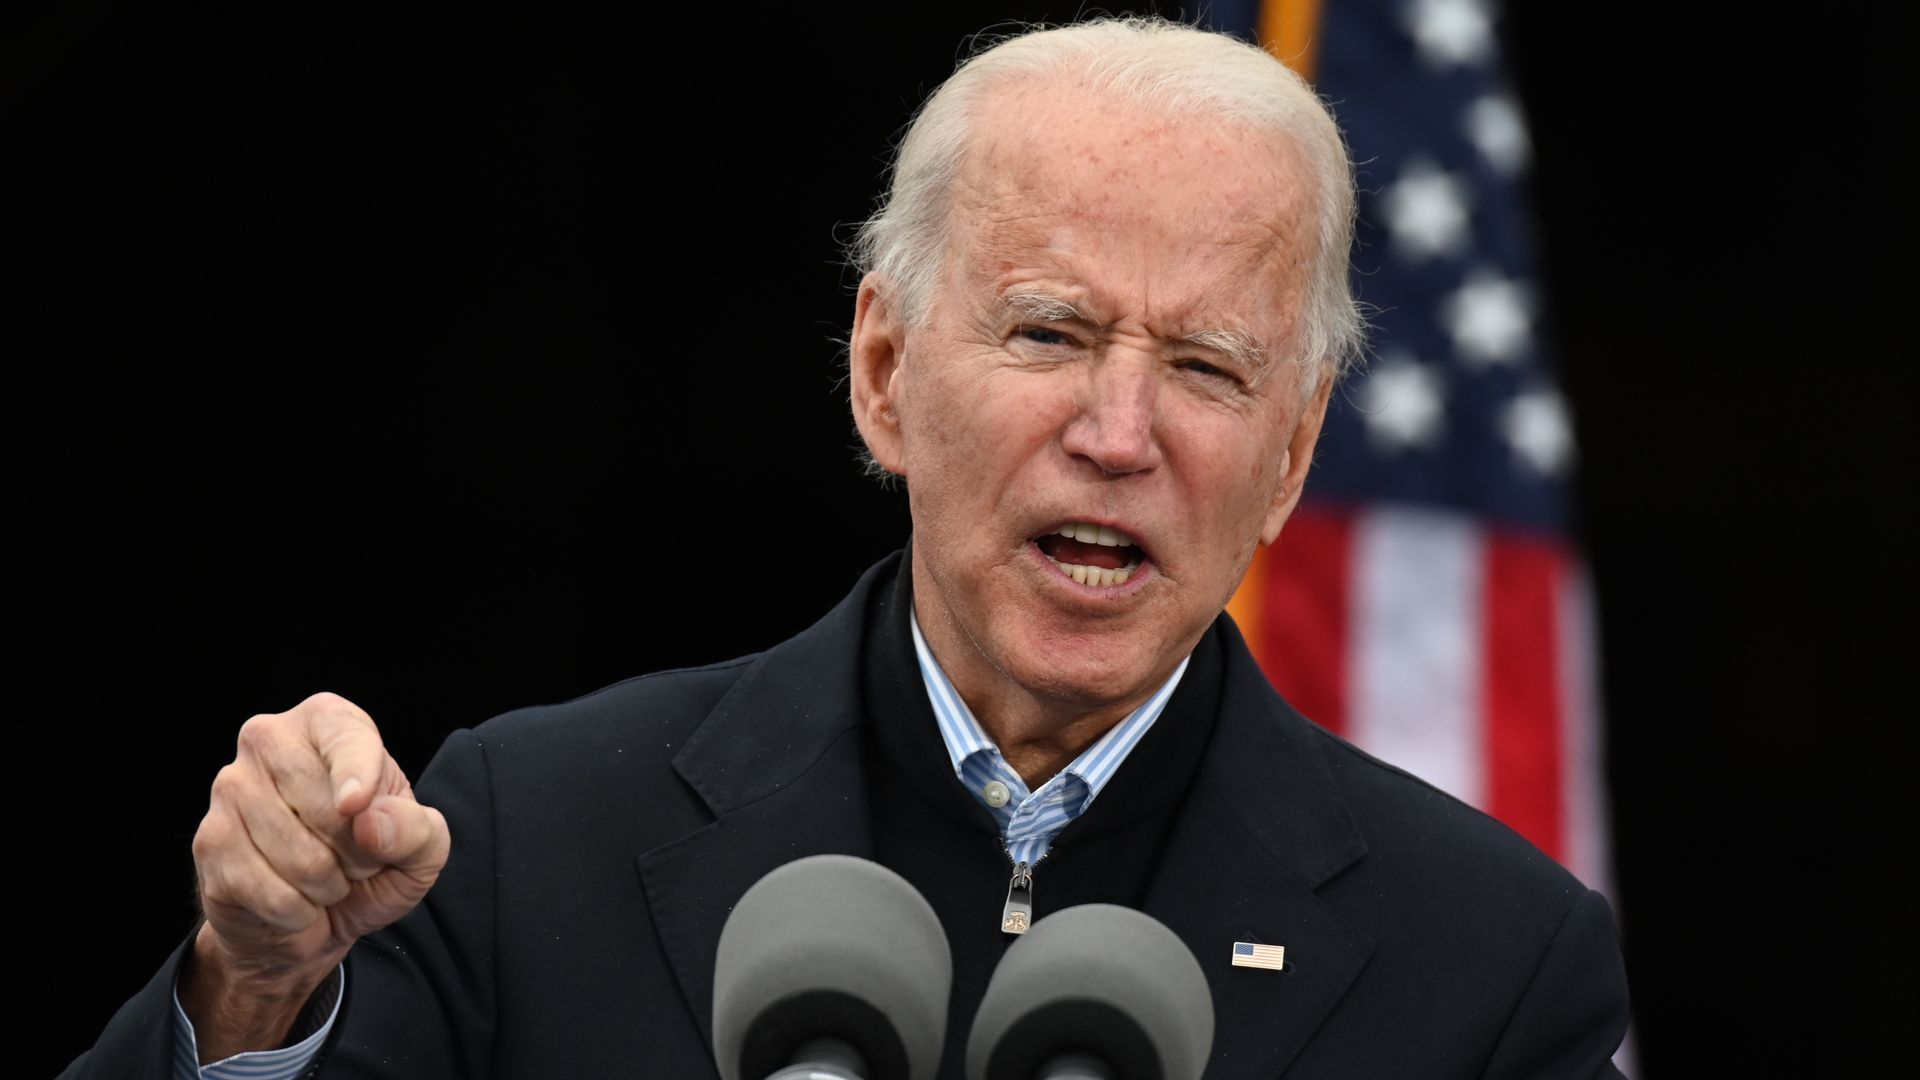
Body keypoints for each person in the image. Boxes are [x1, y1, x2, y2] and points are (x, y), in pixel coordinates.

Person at [67, 17, 1629, 1079]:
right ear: (884, 375)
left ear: (1290, 455)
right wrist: (255, 988)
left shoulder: (1493, 966)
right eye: (1051, 330)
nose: (1119, 430)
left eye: (1209, 369)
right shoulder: (521, 843)